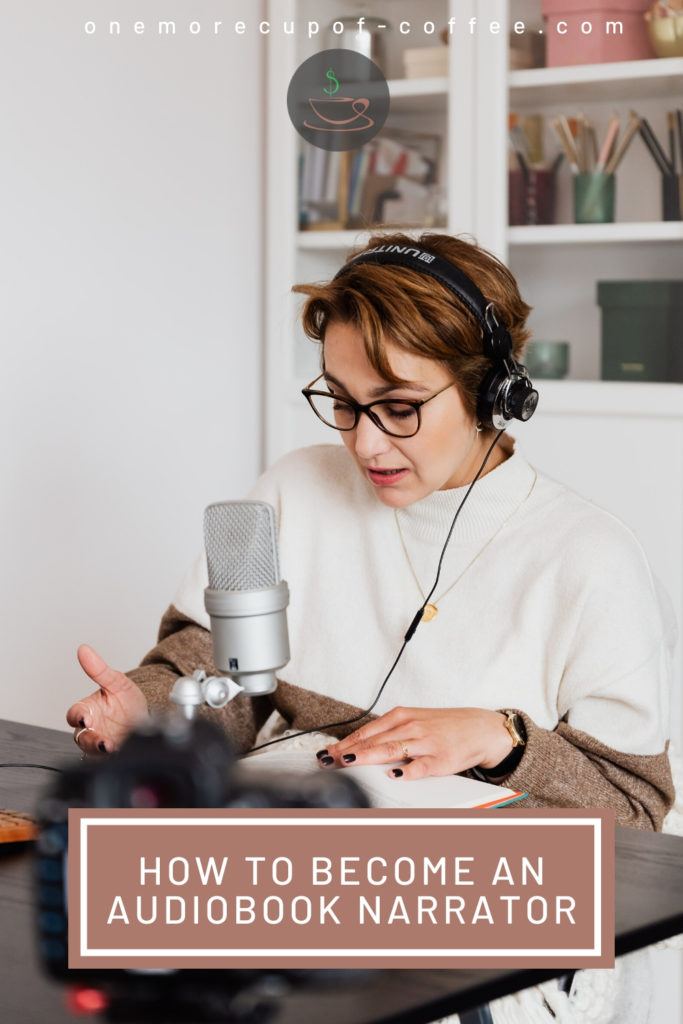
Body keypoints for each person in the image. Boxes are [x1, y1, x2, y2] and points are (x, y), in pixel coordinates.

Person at [67, 230, 676, 831]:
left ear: (489, 392)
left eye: (400, 407)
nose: (365, 443)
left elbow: (634, 807)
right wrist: (147, 713)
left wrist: (504, 740)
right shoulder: (296, 486)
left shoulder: (592, 557)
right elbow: (218, 676)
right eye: (342, 401)